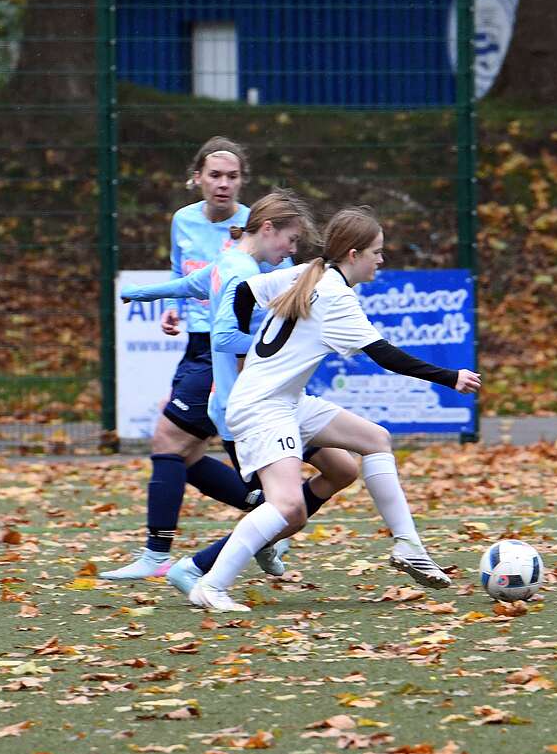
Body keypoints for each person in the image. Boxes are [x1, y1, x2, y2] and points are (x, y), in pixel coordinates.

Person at [177, 207, 482, 614]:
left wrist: (245, 349)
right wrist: (450, 377)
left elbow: (245, 292)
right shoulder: (336, 296)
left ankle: (408, 545)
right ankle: (211, 585)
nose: (381, 259)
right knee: (287, 507)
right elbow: (385, 355)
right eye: (376, 251)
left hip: (285, 400)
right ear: (353, 254)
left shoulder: (310, 271)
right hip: (264, 407)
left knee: (374, 440)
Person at [110, 190, 361, 589]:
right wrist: (286, 347)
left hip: (277, 399)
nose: (292, 250)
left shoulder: (230, 262)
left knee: (342, 469)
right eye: (291, 240)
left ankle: (263, 537)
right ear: (267, 229)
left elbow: (189, 285)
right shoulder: (242, 273)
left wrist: (139, 294)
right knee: (289, 511)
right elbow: (226, 337)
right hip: (253, 407)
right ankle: (196, 567)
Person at [103, 137, 273, 581]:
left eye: (232, 176)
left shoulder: (258, 225)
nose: (223, 184)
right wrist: (174, 308)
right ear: (197, 178)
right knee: (190, 453)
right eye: (215, 175)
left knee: (167, 441)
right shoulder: (183, 219)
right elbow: (183, 273)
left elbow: (278, 283)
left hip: (228, 350)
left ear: (242, 181)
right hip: (196, 343)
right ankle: (269, 517)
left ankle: (157, 553)